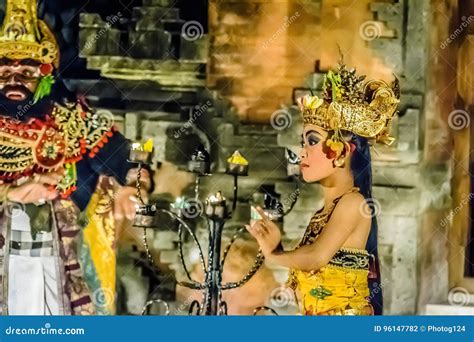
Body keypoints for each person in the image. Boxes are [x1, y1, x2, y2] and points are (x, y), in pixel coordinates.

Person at [0, 0, 151, 315]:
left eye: (26, 71)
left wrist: (133, 186)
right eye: (4, 71)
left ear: (46, 76)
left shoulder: (72, 119)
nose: (14, 80)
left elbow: (132, 154)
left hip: (63, 257)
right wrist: (10, 194)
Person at [246, 59, 400, 315]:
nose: (302, 153)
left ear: (342, 152)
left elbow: (317, 257)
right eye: (304, 142)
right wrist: (278, 248)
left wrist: (273, 255)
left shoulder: (354, 203)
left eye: (312, 141)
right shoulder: (324, 212)